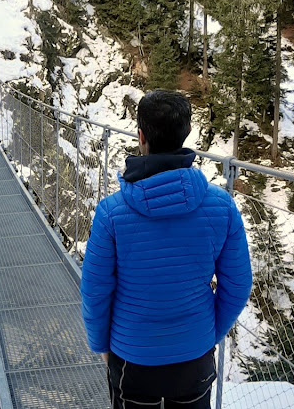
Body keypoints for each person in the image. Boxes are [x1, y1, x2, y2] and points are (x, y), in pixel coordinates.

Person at [80, 90, 252, 409]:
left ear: (141, 136)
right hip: (195, 356)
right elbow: (238, 285)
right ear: (186, 134)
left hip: (132, 356)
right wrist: (205, 333)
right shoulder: (222, 207)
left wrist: (101, 345)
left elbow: (94, 291)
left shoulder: (111, 213)